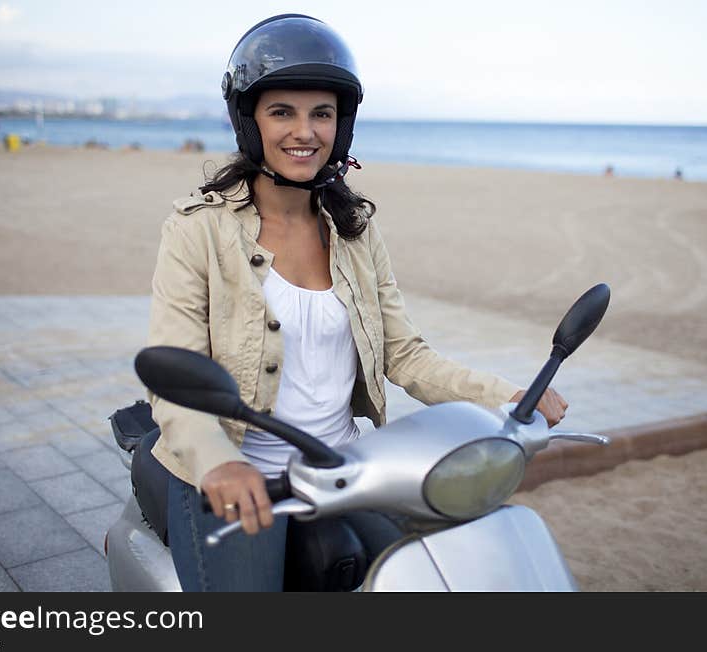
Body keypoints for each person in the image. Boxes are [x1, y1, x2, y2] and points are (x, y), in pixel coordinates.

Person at [147, 14, 569, 592]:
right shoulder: (198, 230)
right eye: (282, 112)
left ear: (341, 124)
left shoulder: (354, 230)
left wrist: (509, 397)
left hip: (343, 469)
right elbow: (174, 370)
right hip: (240, 477)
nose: (305, 131)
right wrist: (217, 460)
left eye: (322, 113)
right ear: (250, 122)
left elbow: (405, 354)